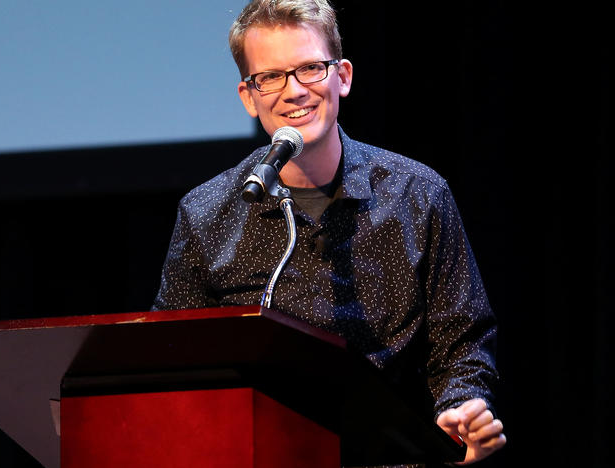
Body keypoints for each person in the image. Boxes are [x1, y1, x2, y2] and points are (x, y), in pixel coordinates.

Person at [153, 0, 506, 464]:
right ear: (248, 95)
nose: (293, 91)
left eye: (309, 69)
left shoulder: (417, 195)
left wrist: (460, 414)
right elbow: (170, 356)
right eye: (271, 77)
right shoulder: (205, 213)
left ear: (342, 77)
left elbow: (462, 343)